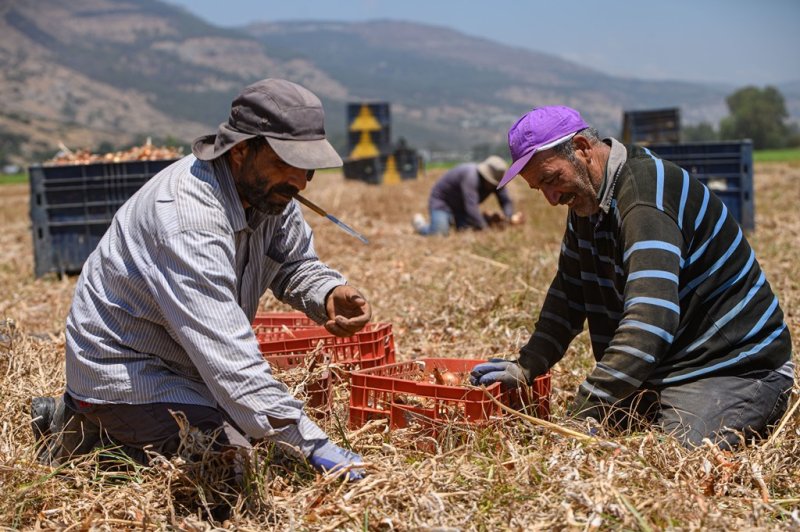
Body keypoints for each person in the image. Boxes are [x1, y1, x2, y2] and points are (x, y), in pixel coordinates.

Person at [31, 79, 370, 480]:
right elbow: (229, 357)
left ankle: (87, 425)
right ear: (241, 150)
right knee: (228, 470)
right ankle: (90, 428)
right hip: (130, 369)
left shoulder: (272, 195)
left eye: (308, 166)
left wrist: (326, 292)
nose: (301, 181)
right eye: (286, 162)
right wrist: (315, 446)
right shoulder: (189, 220)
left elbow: (293, 262)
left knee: (252, 432)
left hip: (187, 364)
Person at [470, 106, 794, 450]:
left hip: (733, 370)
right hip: (664, 369)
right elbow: (568, 295)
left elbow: (650, 322)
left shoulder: (644, 199)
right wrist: (527, 365)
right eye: (539, 189)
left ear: (582, 148)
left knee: (662, 458)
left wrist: (587, 405)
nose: (551, 199)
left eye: (551, 179)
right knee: (606, 446)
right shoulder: (589, 199)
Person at [412, 155, 521, 236]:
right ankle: (421, 226)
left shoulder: (495, 182)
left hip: (461, 208)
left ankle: (451, 221)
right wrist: (486, 230)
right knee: (439, 233)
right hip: (442, 203)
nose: (493, 186)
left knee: (468, 230)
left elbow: (505, 201)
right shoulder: (471, 177)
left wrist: (508, 218)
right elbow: (471, 208)